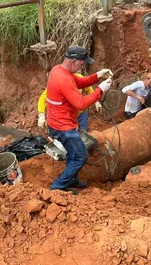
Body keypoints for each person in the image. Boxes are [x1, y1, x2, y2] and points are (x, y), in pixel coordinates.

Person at [44, 45, 113, 194]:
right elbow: (80, 103)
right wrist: (100, 90)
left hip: (58, 121)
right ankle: (57, 187)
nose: (82, 67)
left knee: (72, 152)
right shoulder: (63, 79)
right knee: (80, 156)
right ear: (73, 61)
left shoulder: (59, 70)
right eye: (81, 64)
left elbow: (80, 82)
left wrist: (98, 76)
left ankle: (72, 179)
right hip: (63, 127)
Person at [37, 71, 103, 132]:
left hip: (80, 114)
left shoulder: (79, 78)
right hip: (65, 117)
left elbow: (89, 89)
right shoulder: (57, 82)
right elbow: (42, 99)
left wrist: (96, 101)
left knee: (83, 133)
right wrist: (41, 116)